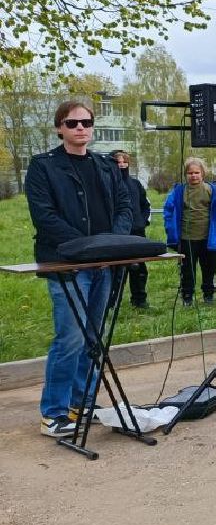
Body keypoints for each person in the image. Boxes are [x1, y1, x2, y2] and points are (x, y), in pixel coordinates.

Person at [24, 99, 133, 436]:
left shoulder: (105, 165)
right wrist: (85, 247)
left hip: (105, 263)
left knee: (93, 338)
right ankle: (54, 413)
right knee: (70, 338)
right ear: (60, 128)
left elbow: (126, 206)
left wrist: (112, 242)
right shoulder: (44, 167)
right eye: (72, 123)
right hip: (67, 264)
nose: (80, 128)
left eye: (86, 122)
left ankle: (81, 403)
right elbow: (45, 216)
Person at [163, 157, 216, 306]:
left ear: (202, 174)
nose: (193, 176)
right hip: (187, 238)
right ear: (186, 174)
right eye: (190, 173)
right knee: (187, 270)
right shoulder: (179, 191)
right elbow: (168, 210)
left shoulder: (211, 189)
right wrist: (171, 232)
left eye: (196, 172)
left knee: (210, 268)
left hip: (208, 238)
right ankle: (187, 296)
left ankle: (209, 294)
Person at [112, 149, 152, 309]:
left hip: (137, 232)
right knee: (117, 269)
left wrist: (141, 221)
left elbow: (145, 205)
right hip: (117, 235)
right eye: (118, 162)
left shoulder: (135, 184)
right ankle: (112, 302)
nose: (122, 165)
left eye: (124, 162)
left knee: (139, 267)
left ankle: (139, 299)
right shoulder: (109, 184)